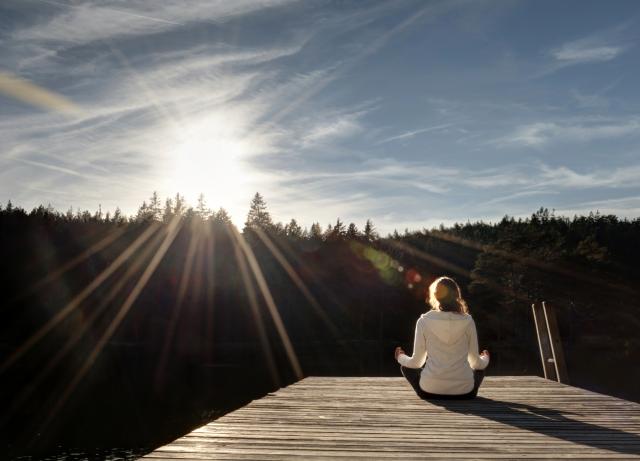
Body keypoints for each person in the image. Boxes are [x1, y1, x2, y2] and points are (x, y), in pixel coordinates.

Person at [394, 276, 490, 400]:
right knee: (480, 370)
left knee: (406, 367)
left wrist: (400, 357)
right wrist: (485, 358)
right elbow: (476, 363)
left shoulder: (423, 321)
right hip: (465, 393)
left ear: (435, 296)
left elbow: (417, 363)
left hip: (429, 392)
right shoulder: (468, 321)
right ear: (457, 295)